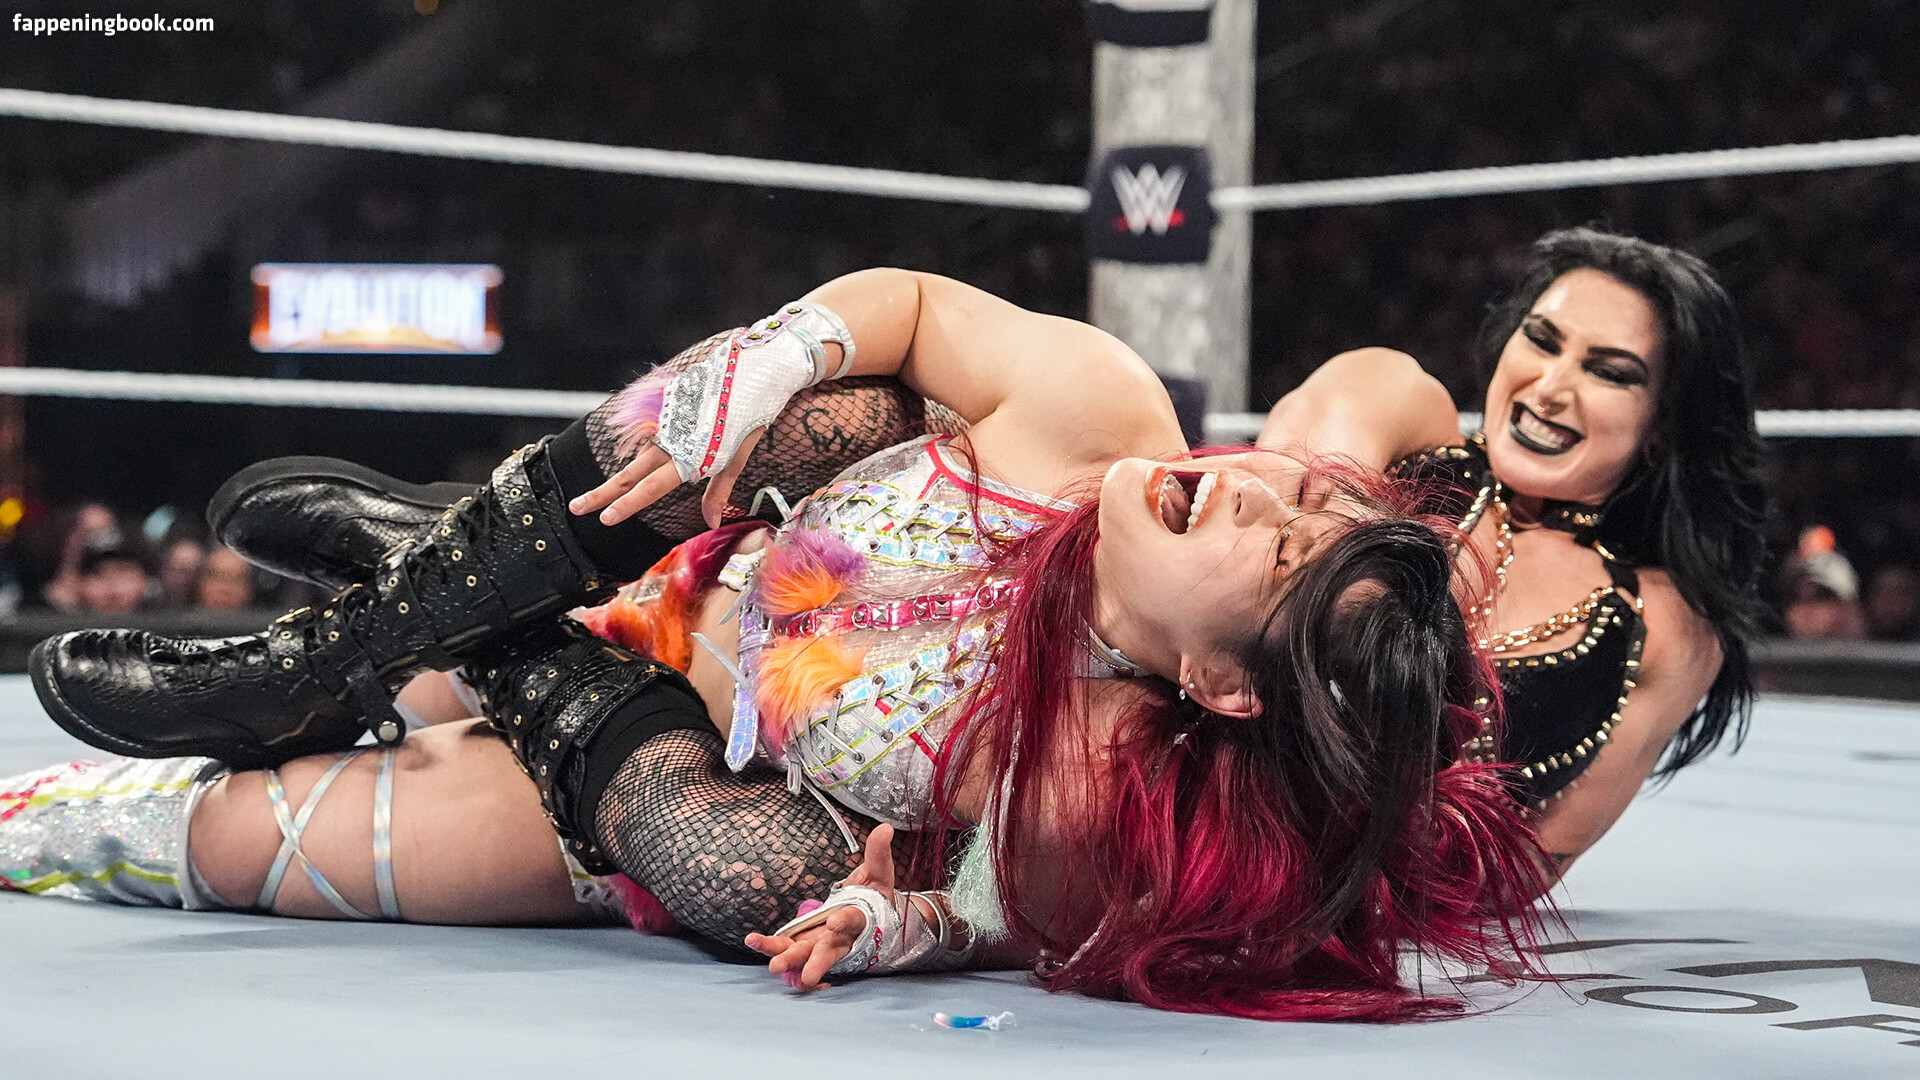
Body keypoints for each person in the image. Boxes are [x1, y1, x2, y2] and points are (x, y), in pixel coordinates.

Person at [7, 269, 1546, 1020]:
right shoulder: (1100, 414)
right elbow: (912, 307)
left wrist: (904, 920)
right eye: (1302, 500)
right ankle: (331, 655)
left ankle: (429, 578)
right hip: (666, 545)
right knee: (840, 406)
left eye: (1278, 556)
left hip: (630, 764)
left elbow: (1008, 914)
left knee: (752, 876)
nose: (1258, 491)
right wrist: (780, 351)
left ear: (1220, 685)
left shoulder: (1103, 764)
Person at [1258, 227, 1768, 879]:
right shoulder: (1395, 408)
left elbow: (1521, 873)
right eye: (1542, 340)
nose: (1551, 386)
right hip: (1187, 795)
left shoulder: (1665, 628)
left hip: (1344, 896)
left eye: (1609, 372)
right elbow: (1248, 575)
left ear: (1661, 426)